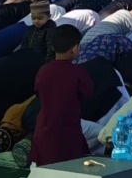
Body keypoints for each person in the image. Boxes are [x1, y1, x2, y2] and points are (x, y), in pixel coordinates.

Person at [28, 25, 92, 166]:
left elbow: (38, 93)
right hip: (68, 129)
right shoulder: (78, 72)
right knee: (68, 168)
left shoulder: (43, 70)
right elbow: (87, 94)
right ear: (75, 48)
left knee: (42, 168)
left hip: (44, 128)